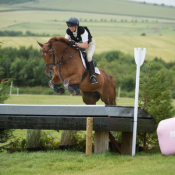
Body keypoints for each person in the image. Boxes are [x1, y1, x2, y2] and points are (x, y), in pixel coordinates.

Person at [65, 17, 98, 84]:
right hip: (79, 45)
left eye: (72, 26)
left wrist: (75, 43)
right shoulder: (68, 31)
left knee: (88, 57)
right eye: (69, 26)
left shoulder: (82, 30)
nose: (70, 28)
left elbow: (85, 45)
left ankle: (93, 76)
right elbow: (65, 42)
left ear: (76, 26)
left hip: (89, 45)